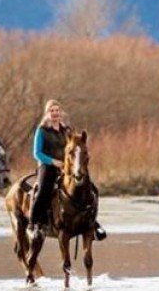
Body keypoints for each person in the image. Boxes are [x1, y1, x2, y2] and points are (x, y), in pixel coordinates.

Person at [28, 99, 107, 240]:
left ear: (61, 113)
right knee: (43, 191)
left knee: (91, 189)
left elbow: (74, 148)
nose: (55, 113)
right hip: (47, 166)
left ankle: (92, 223)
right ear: (47, 113)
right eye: (52, 111)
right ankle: (33, 224)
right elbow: (37, 153)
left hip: (67, 167)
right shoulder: (42, 131)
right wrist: (53, 162)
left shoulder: (66, 130)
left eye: (57, 110)